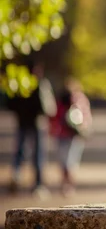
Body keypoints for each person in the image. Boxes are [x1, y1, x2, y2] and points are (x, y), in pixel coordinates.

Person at [6, 60, 56, 198]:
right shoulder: (41, 84)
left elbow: (10, 103)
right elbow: (49, 107)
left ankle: (17, 175)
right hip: (38, 123)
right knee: (38, 154)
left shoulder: (20, 84)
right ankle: (38, 185)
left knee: (20, 151)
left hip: (22, 122)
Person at [50, 78, 92, 196]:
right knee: (70, 161)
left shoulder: (63, 100)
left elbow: (55, 116)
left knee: (66, 162)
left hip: (65, 134)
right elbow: (86, 116)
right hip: (72, 135)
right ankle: (68, 185)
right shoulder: (79, 99)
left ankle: (67, 185)